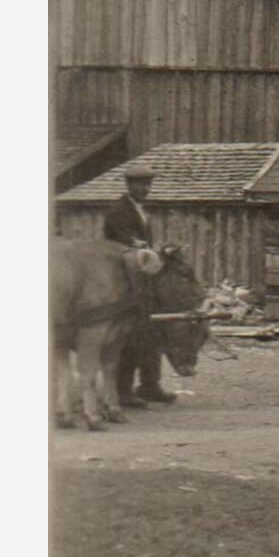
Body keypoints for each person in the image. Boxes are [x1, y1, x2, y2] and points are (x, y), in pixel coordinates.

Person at [104, 166, 175, 407]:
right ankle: (122, 391)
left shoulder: (140, 211)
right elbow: (127, 244)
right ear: (128, 185)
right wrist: (148, 251)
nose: (145, 189)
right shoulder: (118, 211)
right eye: (140, 185)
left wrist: (161, 252)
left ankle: (150, 385)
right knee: (130, 335)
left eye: (148, 184)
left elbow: (143, 246)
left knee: (151, 331)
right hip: (122, 278)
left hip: (141, 277)